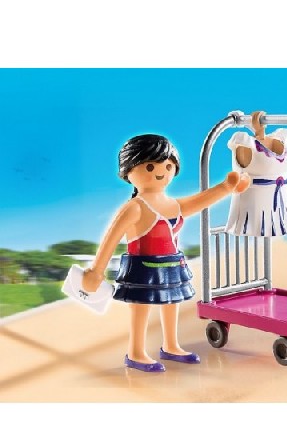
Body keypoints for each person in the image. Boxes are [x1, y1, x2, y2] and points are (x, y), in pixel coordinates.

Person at [82, 134, 250, 372]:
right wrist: (96, 270)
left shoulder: (173, 205)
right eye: (150, 166)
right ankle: (136, 352)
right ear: (129, 170)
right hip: (142, 266)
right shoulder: (134, 207)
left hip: (171, 264)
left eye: (168, 166)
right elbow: (111, 238)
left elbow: (201, 200)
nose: (161, 172)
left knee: (172, 302)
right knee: (140, 307)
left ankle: (171, 345)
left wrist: (227, 187)